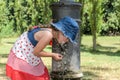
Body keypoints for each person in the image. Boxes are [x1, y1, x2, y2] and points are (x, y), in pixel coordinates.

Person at [6, 16, 79, 80]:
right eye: (67, 38)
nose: (66, 41)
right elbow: (36, 52)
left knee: (43, 75)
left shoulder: (50, 31)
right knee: (35, 77)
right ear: (61, 31)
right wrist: (53, 55)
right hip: (23, 56)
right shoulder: (48, 35)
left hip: (28, 54)